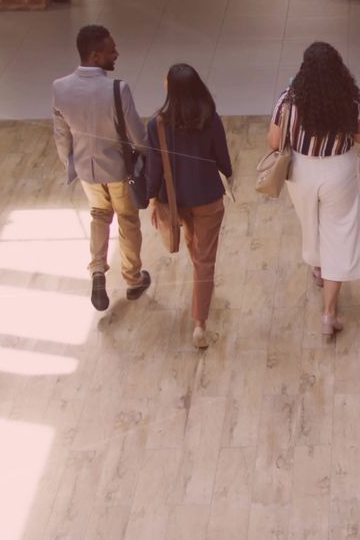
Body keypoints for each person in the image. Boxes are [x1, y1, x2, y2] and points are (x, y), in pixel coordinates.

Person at [267, 41, 360, 336]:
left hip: (300, 171)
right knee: (339, 231)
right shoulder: (349, 101)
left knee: (309, 221)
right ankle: (329, 313)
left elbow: (274, 142)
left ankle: (318, 267)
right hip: (338, 170)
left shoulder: (288, 100)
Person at [52, 24, 151, 311]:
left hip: (86, 170)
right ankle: (133, 279)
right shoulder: (117, 90)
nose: (116, 54)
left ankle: (97, 270)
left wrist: (71, 163)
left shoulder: (60, 88)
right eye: (111, 50)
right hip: (118, 171)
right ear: (95, 56)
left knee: (98, 215)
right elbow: (137, 136)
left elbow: (62, 136)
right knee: (127, 220)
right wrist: (147, 157)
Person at [146, 64, 234, 349]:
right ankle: (199, 323)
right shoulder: (211, 119)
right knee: (204, 260)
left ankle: (200, 290)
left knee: (193, 248)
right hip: (207, 198)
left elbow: (154, 169)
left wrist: (151, 199)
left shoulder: (156, 125)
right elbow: (223, 159)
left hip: (174, 200)